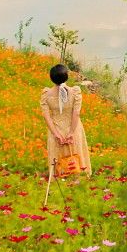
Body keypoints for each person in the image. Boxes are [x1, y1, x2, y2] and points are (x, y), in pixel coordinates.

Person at [41, 64, 93, 200]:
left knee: (57, 158)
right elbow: (76, 113)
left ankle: (60, 186)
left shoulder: (46, 94)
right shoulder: (75, 92)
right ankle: (77, 184)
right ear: (66, 77)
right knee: (76, 155)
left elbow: (47, 117)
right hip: (74, 128)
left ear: (51, 78)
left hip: (56, 129)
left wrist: (56, 134)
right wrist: (71, 132)